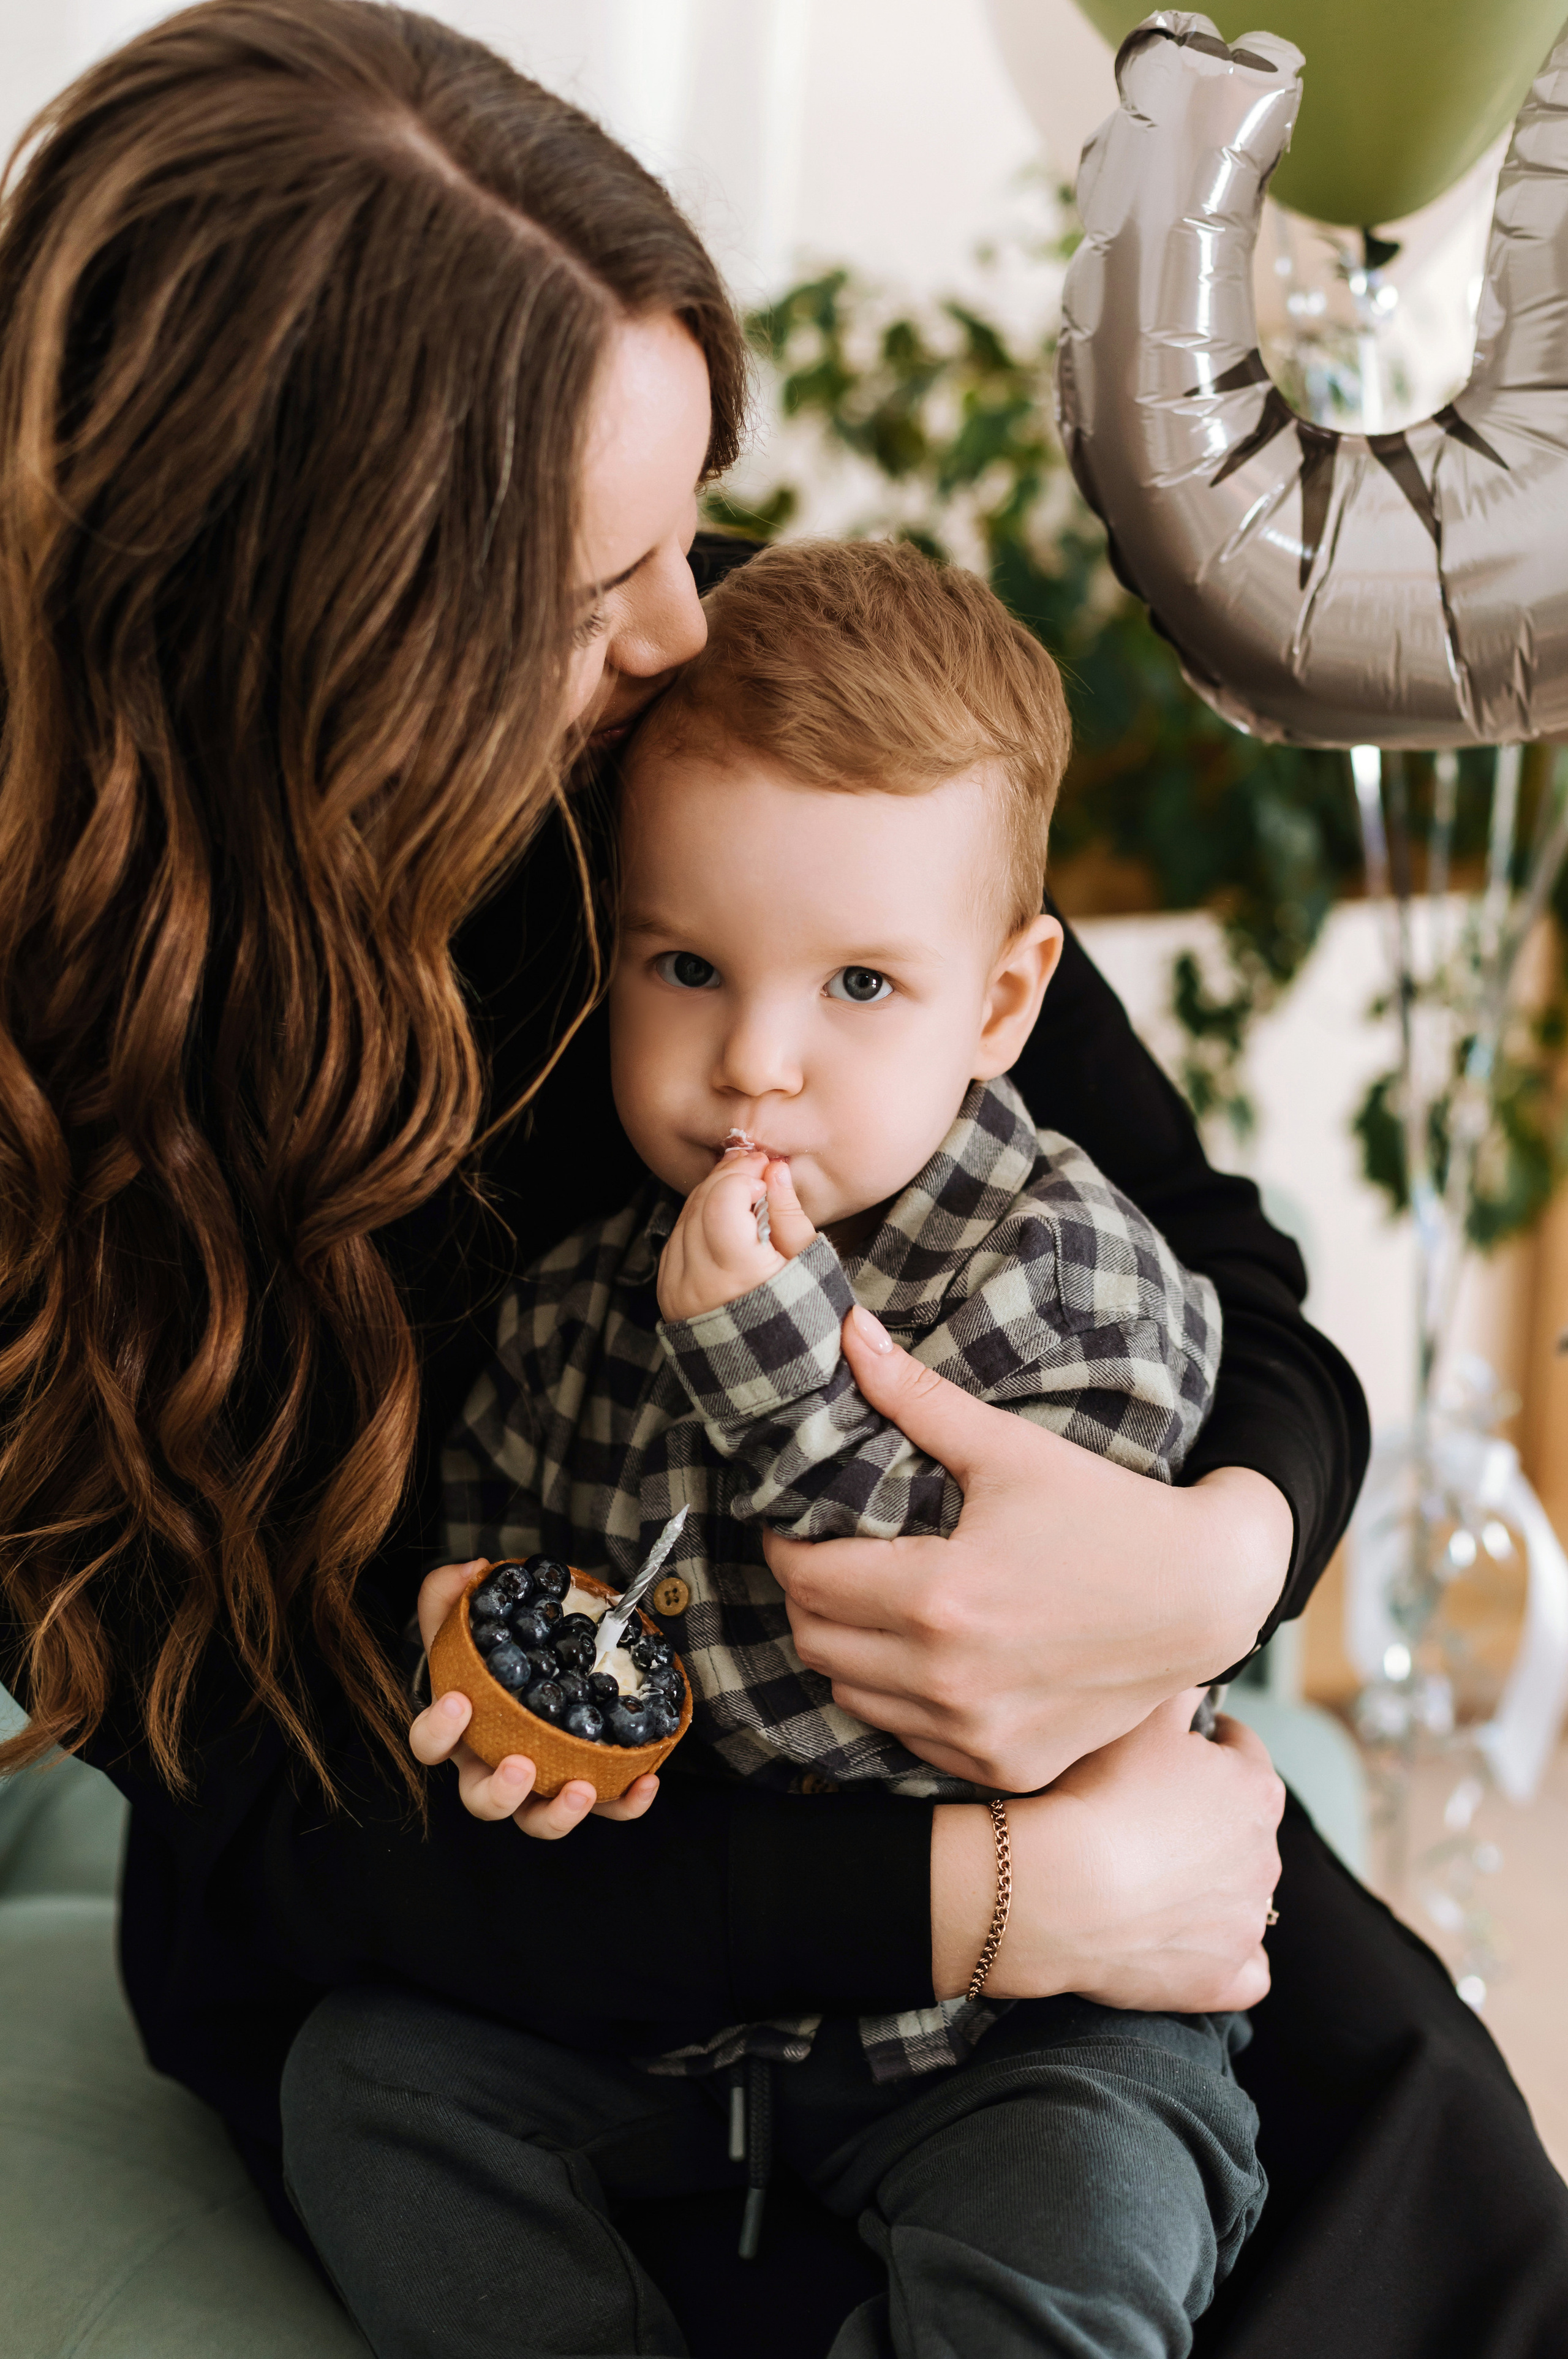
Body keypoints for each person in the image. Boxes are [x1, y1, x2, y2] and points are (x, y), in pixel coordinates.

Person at [0, 7, 1562, 2357]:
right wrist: (989, 1890)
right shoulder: (62, 1102)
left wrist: (1215, 1554)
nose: (688, 627)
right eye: (592, 584)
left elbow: (1217, 1262)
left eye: (693, 518)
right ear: (321, 646)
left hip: (1033, 1886)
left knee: (1411, 2164)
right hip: (489, 1958)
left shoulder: (700, 728)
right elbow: (287, 1847)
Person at [285, 534, 1267, 2359]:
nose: (755, 1060)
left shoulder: (1070, 1275)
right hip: (675, 2001)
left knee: (1097, 2205)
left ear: (1001, 1002)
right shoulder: (580, 1291)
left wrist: (759, 1354)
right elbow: (502, 1510)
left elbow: (904, 1671)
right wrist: (474, 1635)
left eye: (859, 987)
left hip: (1019, 2014)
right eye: (686, 966)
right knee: (369, 2088)